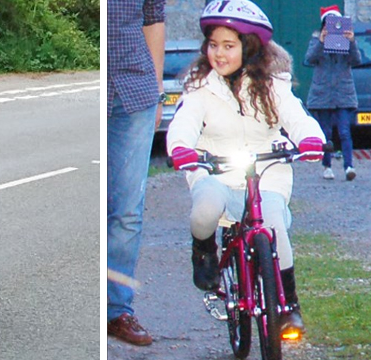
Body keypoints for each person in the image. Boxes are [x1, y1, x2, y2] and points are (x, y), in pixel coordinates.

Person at [166, 0, 326, 335]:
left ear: (249, 47)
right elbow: (184, 121)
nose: (218, 54)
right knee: (205, 210)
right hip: (215, 169)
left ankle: (289, 306)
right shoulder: (200, 86)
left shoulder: (272, 83)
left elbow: (296, 116)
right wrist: (180, 148)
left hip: (265, 173)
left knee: (274, 226)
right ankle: (204, 251)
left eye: (228, 46)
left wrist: (311, 139)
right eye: (213, 45)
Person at [107, 0, 166, 346]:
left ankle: (118, 311)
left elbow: (154, 19)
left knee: (127, 210)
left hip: (136, 89)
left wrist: (158, 91)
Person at [304, 5, 361, 181]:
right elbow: (309, 60)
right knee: (325, 132)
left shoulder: (346, 42)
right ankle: (327, 166)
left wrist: (351, 42)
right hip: (323, 94)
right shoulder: (316, 41)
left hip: (343, 93)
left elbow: (356, 60)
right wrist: (321, 42)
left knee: (344, 131)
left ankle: (349, 166)